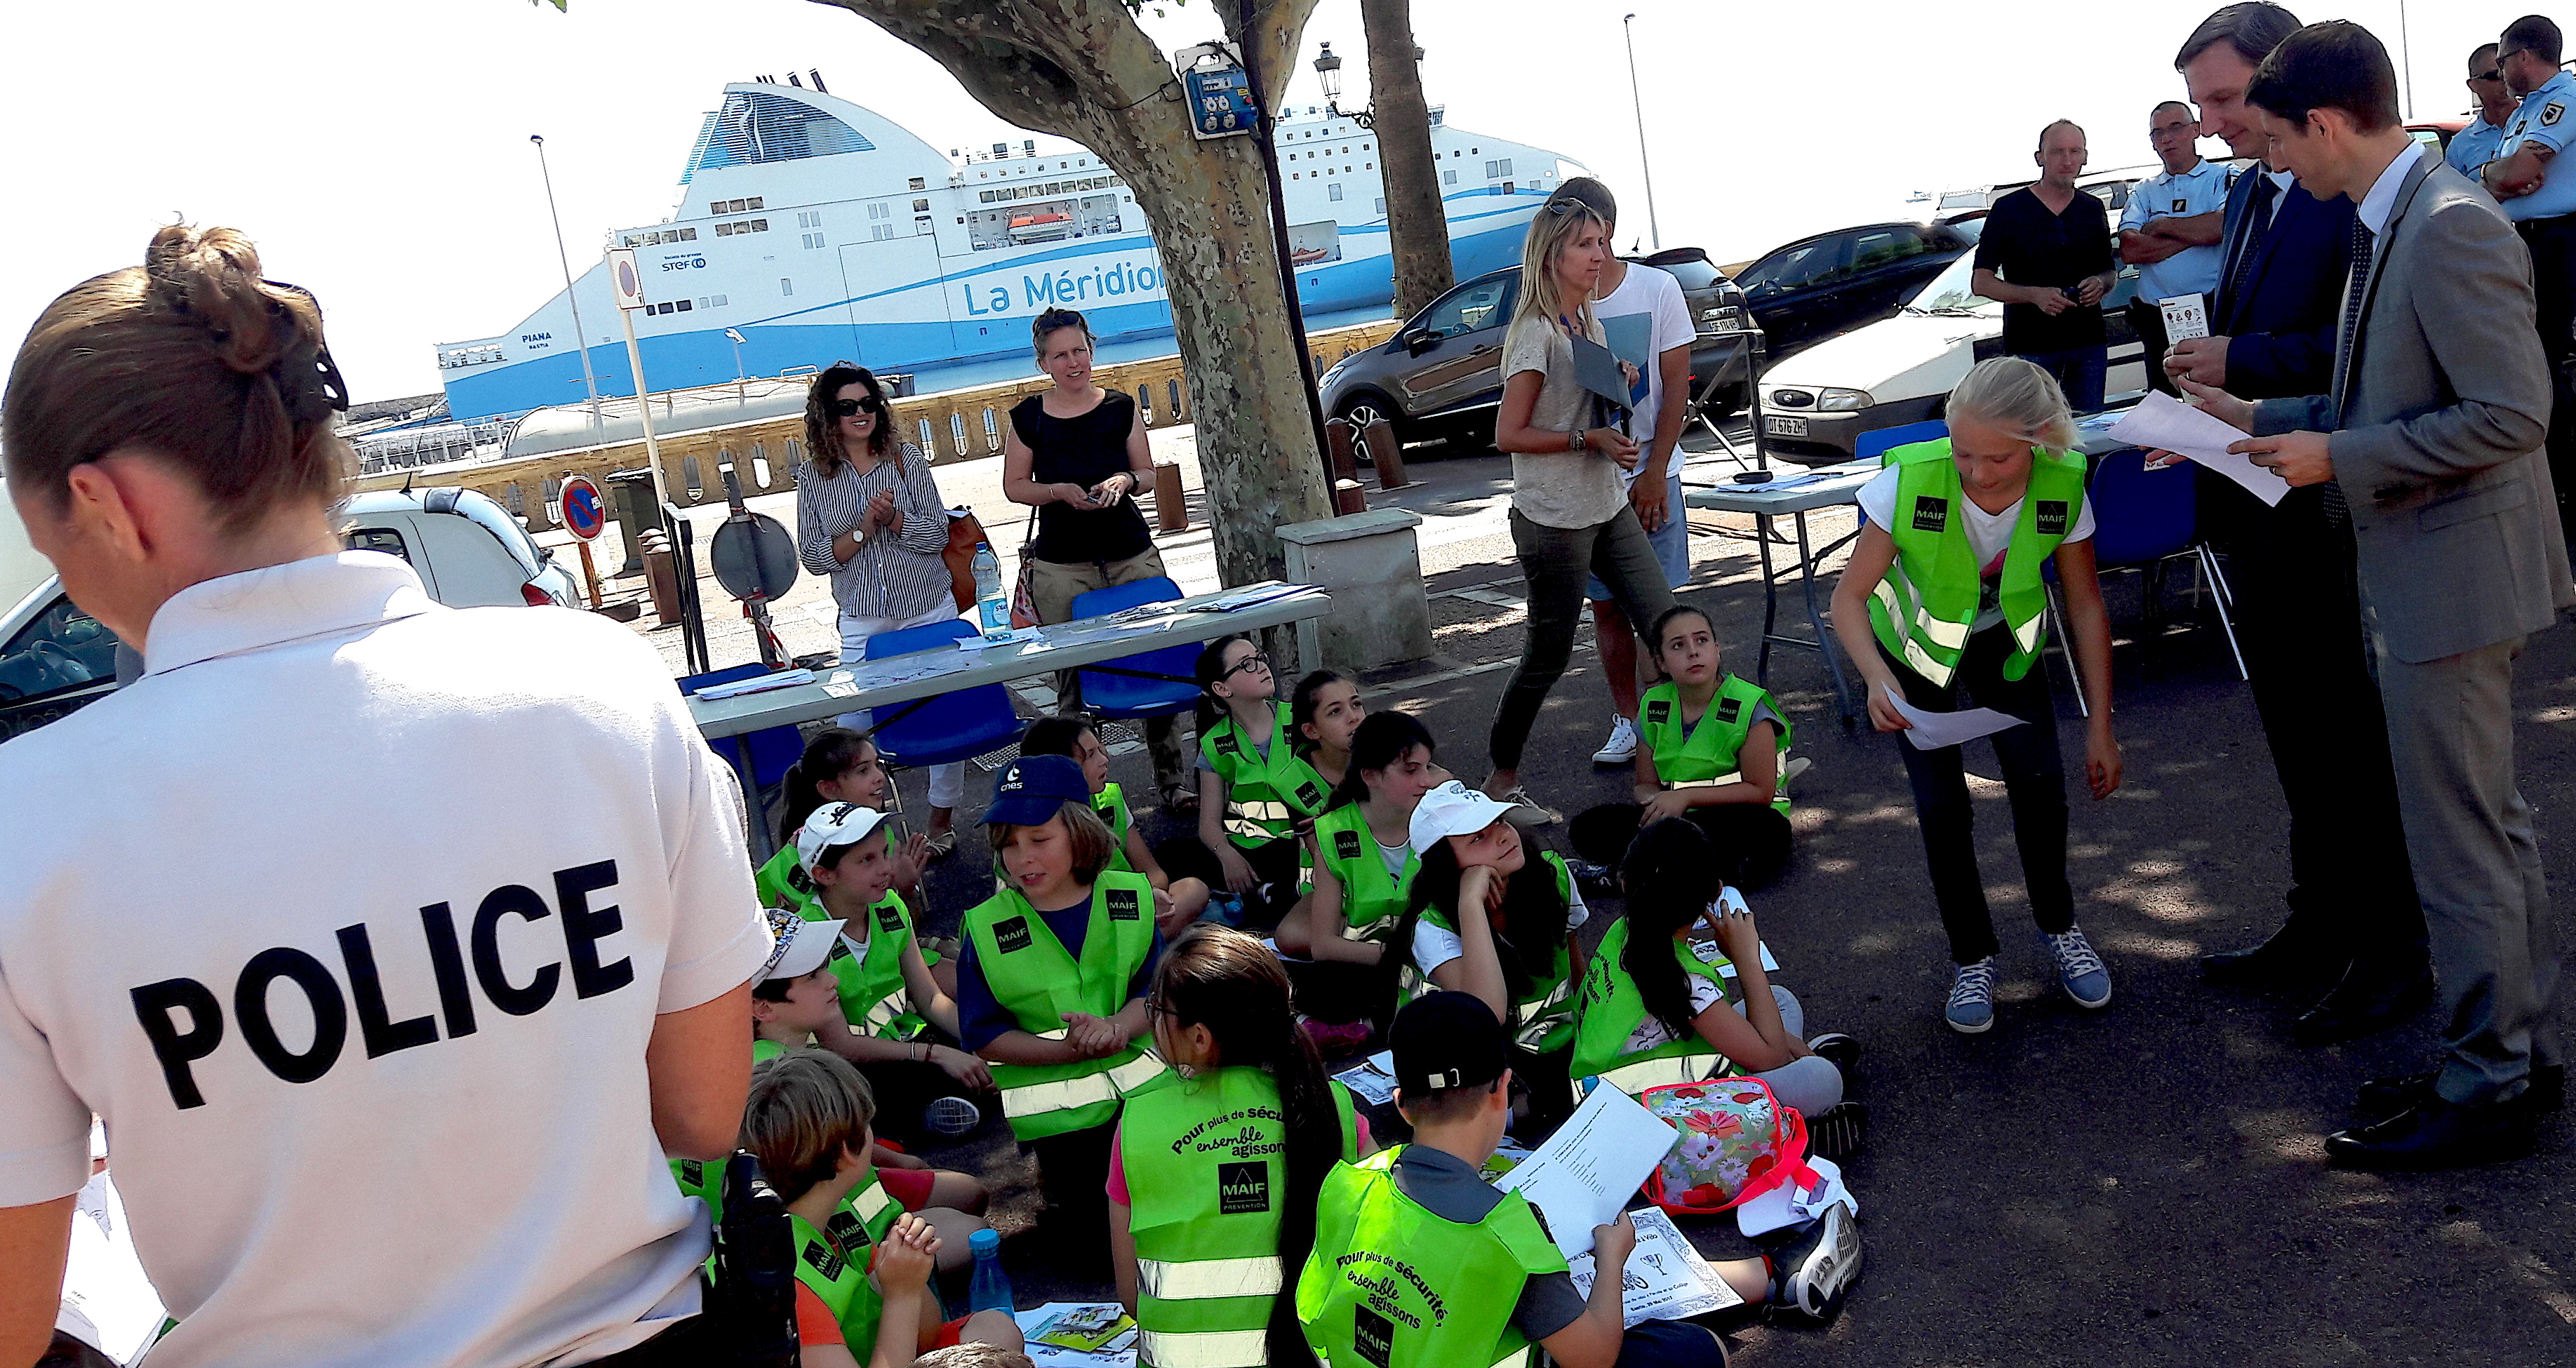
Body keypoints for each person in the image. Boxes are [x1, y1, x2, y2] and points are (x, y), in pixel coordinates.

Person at [0, 226, 770, 1367]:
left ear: (103, 503)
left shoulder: (31, 818)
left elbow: (15, 1323)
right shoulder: (601, 685)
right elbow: (704, 1111)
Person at [2182, 19, 2570, 1169]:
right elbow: (2373, 390)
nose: (2269, 158)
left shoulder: (2445, 224)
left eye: (2279, 135)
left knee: (2459, 848)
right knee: (2487, 836)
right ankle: (2511, 1053)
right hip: (2434, 571)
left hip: (2449, 580)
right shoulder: (2394, 218)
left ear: (2330, 121)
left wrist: (2336, 460)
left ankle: (2487, 1081)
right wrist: (2263, 422)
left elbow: (2512, 415)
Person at [2170, 1, 2420, 1045]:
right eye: (2200, 105)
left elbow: (2363, 352)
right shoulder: (2243, 194)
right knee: (2292, 734)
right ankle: (2316, 922)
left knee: (2348, 742)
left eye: (2226, 100)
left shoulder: (2346, 194)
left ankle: (2389, 952)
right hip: (2247, 502)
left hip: (2323, 508)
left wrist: (2241, 364)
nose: (2217, 122)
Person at [1295, 992, 1860, 1368]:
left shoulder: (1349, 1184)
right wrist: (1612, 1257)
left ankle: (1771, 1279)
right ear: (1502, 1089)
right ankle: (1777, 1280)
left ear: (1402, 1104)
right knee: (1691, 1351)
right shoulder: (1505, 1233)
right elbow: (1593, 1356)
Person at [1827, 357, 2122, 1034]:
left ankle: (2060, 927)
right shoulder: (1907, 482)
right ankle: (1971, 957)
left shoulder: (2063, 484)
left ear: (2042, 441)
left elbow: (2084, 604)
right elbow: (1848, 598)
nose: (1978, 473)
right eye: (1964, 454)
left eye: (1998, 460)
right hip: (1910, 656)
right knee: (1941, 810)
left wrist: (2100, 725)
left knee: (2042, 789)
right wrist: (1875, 677)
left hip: (2005, 652)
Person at [1485, 190, 1679, 822]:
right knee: (1548, 654)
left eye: (1602, 242)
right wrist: (1584, 438)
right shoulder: (1534, 333)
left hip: (1607, 503)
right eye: (1586, 245)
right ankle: (1497, 785)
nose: (1601, 255)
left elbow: (1584, 402)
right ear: (1551, 255)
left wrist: (1612, 385)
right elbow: (1508, 435)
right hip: (1553, 520)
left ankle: (1686, 768)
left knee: (1669, 629)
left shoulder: (1585, 320)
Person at [1109, 926, 1367, 1368]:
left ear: (1200, 1038)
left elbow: (1132, 1297)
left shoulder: (1139, 1125)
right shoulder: (1336, 1109)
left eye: (1157, 1009)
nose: (1151, 1019)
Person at [954, 756, 1170, 1233]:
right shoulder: (986, 927)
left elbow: (1154, 992)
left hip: (1152, 1100)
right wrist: (1064, 1050)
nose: (1022, 857)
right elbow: (984, 1035)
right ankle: (1056, 1190)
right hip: (1062, 1127)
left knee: (1171, 1208)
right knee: (1095, 1241)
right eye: (1008, 844)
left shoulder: (1131, 896)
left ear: (1080, 832)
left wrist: (1117, 1029)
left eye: (1039, 839)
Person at [1568, 819, 1863, 1155]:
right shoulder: (1686, 981)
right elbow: (1772, 1056)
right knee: (1824, 1079)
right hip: (1649, 1121)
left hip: (1600, 1098)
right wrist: (1745, 960)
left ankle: (1797, 1078)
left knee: (1780, 1001)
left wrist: (1781, 1046)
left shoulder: (1623, 932)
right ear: (1715, 892)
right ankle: (1795, 1123)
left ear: (1624, 883)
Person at [1003, 307, 1187, 808]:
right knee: (1072, 683)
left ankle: (1170, 781)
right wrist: (1057, 492)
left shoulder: (1120, 406)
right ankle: (1076, 795)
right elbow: (1014, 487)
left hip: (1129, 551)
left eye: (1079, 351)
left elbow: (1146, 473)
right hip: (1063, 564)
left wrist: (1124, 481)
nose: (1073, 362)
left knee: (1159, 663)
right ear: (1044, 363)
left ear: (1091, 351)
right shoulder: (1029, 417)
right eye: (1061, 355)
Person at [737, 1051, 1025, 1368]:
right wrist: (901, 1294)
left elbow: (924, 1339)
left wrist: (909, 1279)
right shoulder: (784, 1275)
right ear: (849, 1151)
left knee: (994, 1329)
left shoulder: (836, 1214)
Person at [1545, 177, 1698, 769]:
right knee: (1605, 608)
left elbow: (1675, 390)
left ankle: (1677, 728)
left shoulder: (1656, 288)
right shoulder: (1551, 304)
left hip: (1651, 474)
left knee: (1659, 613)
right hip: (1589, 484)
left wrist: (1656, 472)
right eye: (1574, 240)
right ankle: (1629, 724)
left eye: (1592, 238)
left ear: (1606, 233)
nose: (1589, 251)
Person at [737, 913, 990, 1263]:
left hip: (865, 1199)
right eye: (812, 977)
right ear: (763, 1008)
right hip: (852, 1231)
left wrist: (898, 1163)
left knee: (970, 1197)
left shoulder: (791, 1053)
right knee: (974, 1234)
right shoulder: (777, 1079)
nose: (833, 981)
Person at [798, 362, 968, 855]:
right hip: (863, 620)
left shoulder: (905, 460)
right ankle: (862, 832)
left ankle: (941, 821)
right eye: (847, 406)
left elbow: (936, 535)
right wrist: (861, 529)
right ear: (827, 416)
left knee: (944, 715)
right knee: (851, 730)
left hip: (926, 606)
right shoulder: (813, 477)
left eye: (868, 403)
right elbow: (814, 557)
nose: (860, 413)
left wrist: (894, 518)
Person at [1388, 783, 1589, 1133]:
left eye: (1499, 823)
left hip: (1548, 1044)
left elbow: (1574, 962)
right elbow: (1484, 1014)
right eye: (1477, 839)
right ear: (1446, 864)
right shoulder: (1432, 923)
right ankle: (1509, 1114)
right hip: (1466, 1056)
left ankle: (1529, 1108)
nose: (1502, 836)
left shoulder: (1550, 873)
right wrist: (1470, 905)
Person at [787, 803, 993, 1144]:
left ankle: (915, 1115)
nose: (886, 868)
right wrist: (938, 1054)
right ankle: (904, 1121)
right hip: (851, 1065)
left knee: (986, 1055)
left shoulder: (890, 906)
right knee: (914, 1082)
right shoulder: (809, 936)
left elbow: (930, 998)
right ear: (824, 875)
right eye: (866, 860)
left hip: (905, 1043)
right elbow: (840, 1045)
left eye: (884, 853)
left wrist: (980, 1045)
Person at [1569, 603, 1796, 893]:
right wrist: (1657, 803)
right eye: (1678, 645)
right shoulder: (1654, 705)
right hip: (1677, 819)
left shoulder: (1749, 705)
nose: (1693, 651)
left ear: (1717, 649)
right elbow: (1644, 785)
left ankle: (1636, 874)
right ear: (1661, 662)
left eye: (1701, 641)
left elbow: (1760, 793)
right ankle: (1689, 874)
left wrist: (1684, 798)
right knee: (1589, 827)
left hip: (1735, 815)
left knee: (1768, 831)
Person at [2483, 15, 2576, 549]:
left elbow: (2516, 177)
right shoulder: (2525, 115)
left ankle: (2560, 485)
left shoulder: (2560, 99)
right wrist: (2492, 178)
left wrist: (2500, 179)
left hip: (2556, 243)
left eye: (2499, 62)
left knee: (2542, 364)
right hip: (2526, 243)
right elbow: (2501, 179)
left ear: (2522, 57)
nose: (2499, 74)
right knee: (2530, 363)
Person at [1168, 636, 1328, 926]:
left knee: (1312, 853)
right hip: (1250, 848)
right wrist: (1226, 854)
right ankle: (1267, 892)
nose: (1262, 667)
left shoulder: (1300, 719)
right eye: (1247, 665)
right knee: (1173, 853)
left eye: (1260, 657)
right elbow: (1208, 826)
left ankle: (1266, 894)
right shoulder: (1216, 743)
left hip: (1305, 839)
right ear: (1222, 688)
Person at [1017, 715, 1214, 937]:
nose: (1105, 759)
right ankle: (1141, 949)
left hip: (1133, 907)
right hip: (1083, 924)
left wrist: (1150, 896)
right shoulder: (1029, 825)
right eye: (1091, 755)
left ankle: (1134, 948)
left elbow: (1152, 872)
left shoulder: (1111, 799)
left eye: (1101, 749)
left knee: (1193, 889)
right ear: (1059, 769)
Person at [1972, 121, 2121, 411]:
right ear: (2040, 157)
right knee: (2035, 433)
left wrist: (2102, 283)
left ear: (2085, 156)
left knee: (2087, 434)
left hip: (2088, 342)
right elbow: (1981, 282)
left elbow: (2110, 271)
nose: (2067, 161)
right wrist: (2035, 295)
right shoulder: (2009, 209)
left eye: (2074, 151)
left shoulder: (2091, 208)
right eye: (2057, 152)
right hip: (2031, 347)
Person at [2116, 101, 2231, 396]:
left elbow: (2220, 228)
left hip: (2212, 310)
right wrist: (2195, 234)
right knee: (2166, 407)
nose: (2167, 138)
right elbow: (2130, 250)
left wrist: (2164, 224)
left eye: (2175, 128)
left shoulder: (2223, 177)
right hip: (2158, 319)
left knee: (2218, 401)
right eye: (2158, 133)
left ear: (2196, 130)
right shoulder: (2144, 191)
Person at [1287, 669, 1365, 793]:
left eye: (1356, 704)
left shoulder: (1389, 760)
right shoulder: (1290, 786)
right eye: (1335, 711)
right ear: (1311, 731)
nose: (1353, 718)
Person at [2448, 43, 2517, 182]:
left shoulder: (2537, 121)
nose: (2504, 79)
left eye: (2506, 71)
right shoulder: (2459, 146)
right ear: (2473, 85)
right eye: (2493, 75)